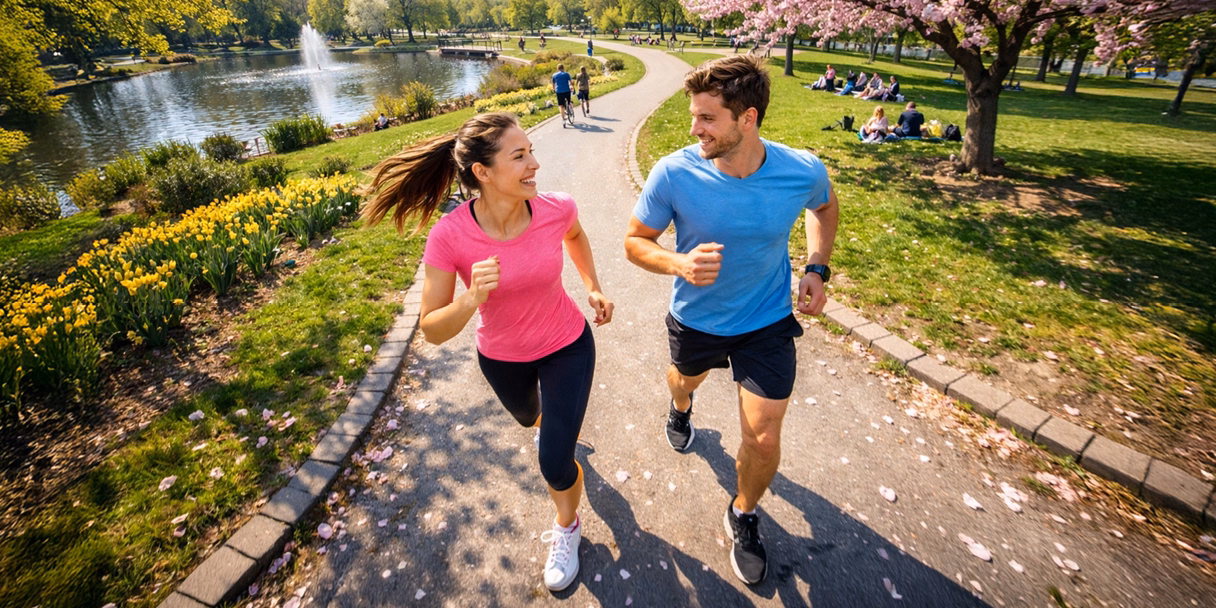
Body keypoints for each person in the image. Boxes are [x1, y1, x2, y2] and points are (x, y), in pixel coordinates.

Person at [361, 112, 613, 592]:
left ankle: (567, 527)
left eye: (531, 152)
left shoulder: (555, 207)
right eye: (519, 156)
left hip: (567, 345)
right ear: (483, 171)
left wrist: (593, 287)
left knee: (555, 463)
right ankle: (549, 428)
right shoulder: (450, 237)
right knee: (531, 419)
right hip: (502, 357)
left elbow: (576, 236)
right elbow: (432, 330)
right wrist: (470, 297)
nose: (535, 163)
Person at [624, 55, 839, 586]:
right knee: (682, 382)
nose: (693, 129)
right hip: (696, 319)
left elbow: (825, 208)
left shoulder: (801, 170)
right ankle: (680, 407)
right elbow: (633, 242)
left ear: (748, 119)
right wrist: (677, 263)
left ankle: (743, 513)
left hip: (766, 321)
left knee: (763, 439)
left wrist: (816, 267)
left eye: (707, 118)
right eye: (693, 116)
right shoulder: (674, 172)